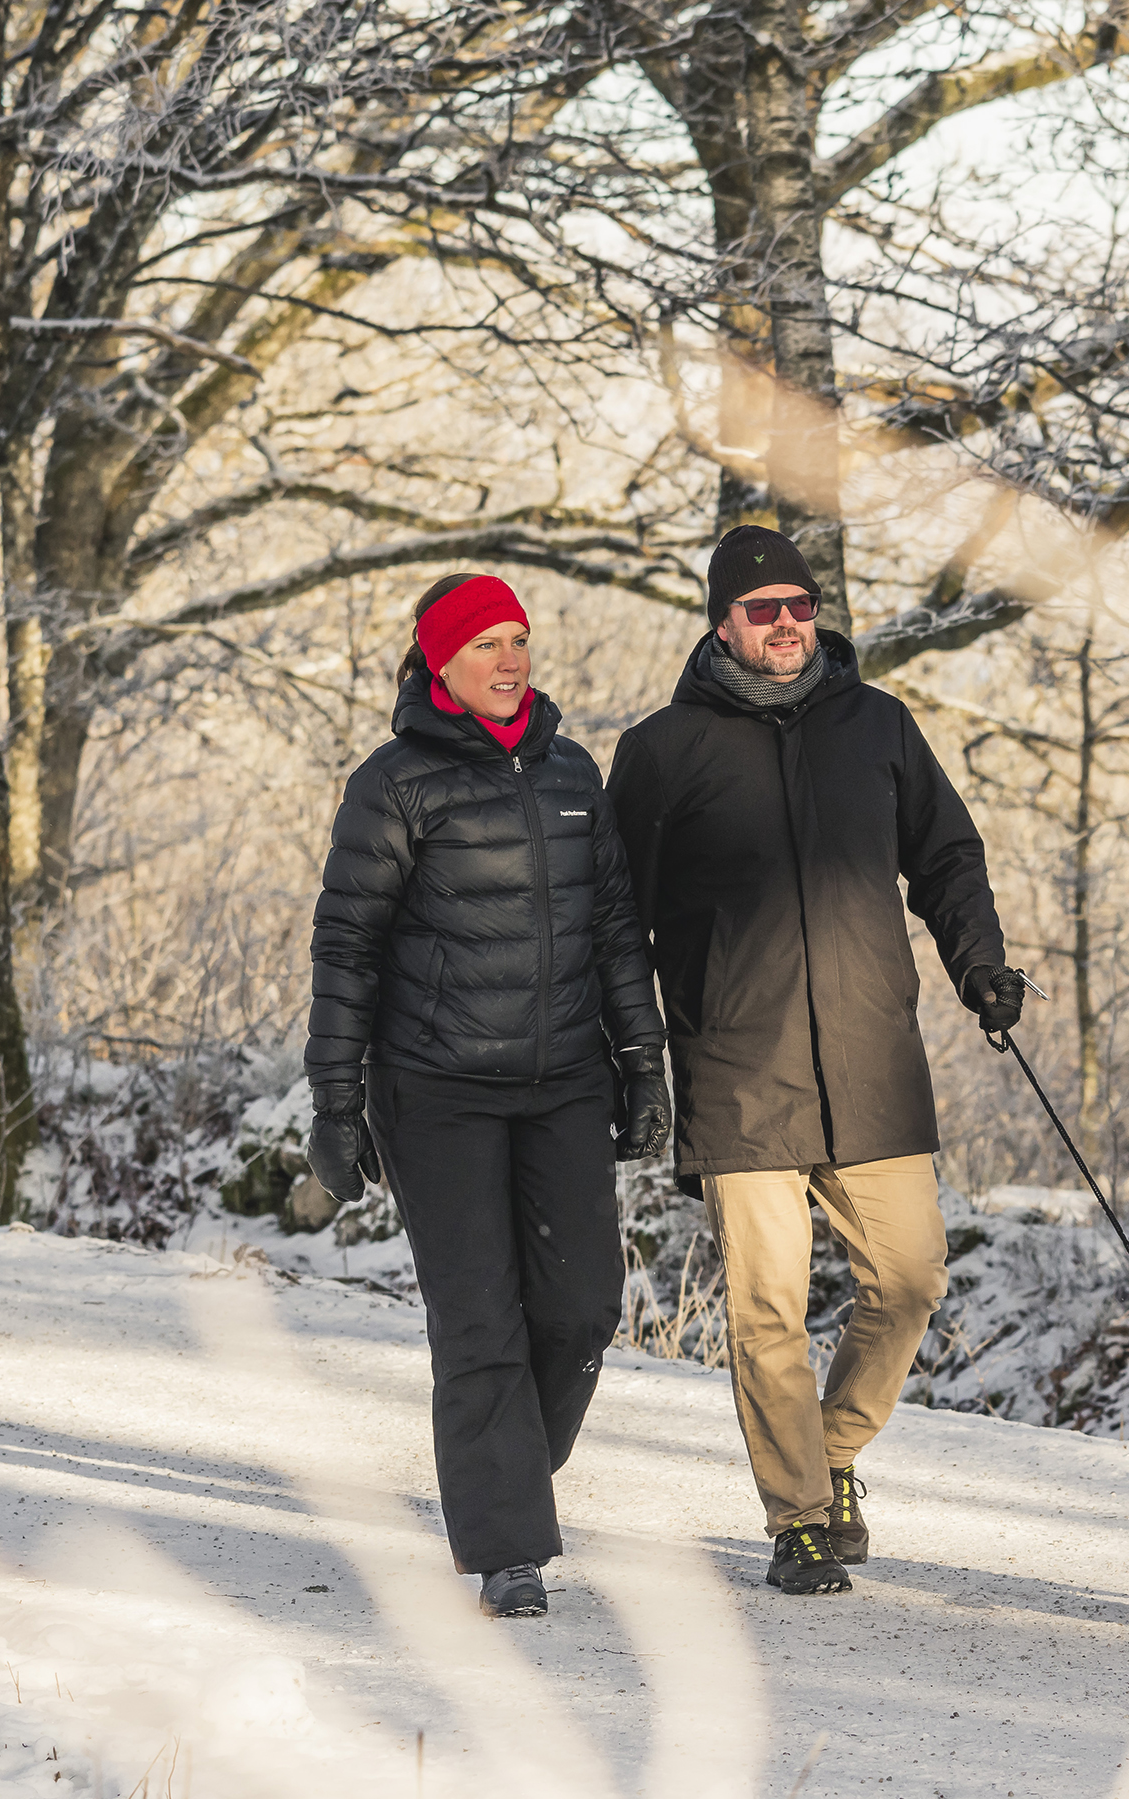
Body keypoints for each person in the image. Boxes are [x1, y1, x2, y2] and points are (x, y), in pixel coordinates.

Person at [607, 526, 1024, 1598]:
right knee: (766, 1308)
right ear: (722, 624)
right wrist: (633, 1058)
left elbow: (945, 854)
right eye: (761, 609)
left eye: (798, 604)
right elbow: (616, 920)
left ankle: (832, 1448)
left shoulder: (876, 726)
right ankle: (796, 1514)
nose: (785, 623)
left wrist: (979, 962)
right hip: (739, 1072)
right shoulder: (661, 752)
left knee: (911, 1275)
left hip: (869, 1060)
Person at [303, 574, 670, 1618]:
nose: (511, 658)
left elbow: (611, 933)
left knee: (582, 1307)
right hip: (436, 1091)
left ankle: (504, 1478)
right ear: (439, 661)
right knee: (480, 1323)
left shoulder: (569, 771)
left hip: (562, 1081)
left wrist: (642, 1064)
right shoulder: (395, 783)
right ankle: (508, 1547)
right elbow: (346, 948)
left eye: (518, 638)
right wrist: (336, 1103)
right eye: (487, 644)